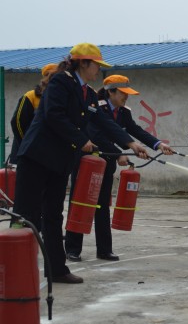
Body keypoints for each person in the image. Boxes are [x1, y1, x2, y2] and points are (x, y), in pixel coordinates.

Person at [11, 43, 148, 284]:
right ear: (83, 63)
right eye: (97, 65)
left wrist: (129, 143)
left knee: (53, 215)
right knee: (25, 215)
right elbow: (54, 114)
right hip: (36, 157)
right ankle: (13, 271)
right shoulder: (60, 81)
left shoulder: (89, 93)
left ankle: (57, 270)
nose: (99, 70)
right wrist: (81, 140)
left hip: (58, 161)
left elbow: (103, 122)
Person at [65, 75, 173, 262]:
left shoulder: (124, 112)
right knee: (80, 202)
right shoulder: (96, 106)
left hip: (106, 163)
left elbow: (135, 130)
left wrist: (158, 144)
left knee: (102, 206)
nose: (126, 97)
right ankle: (72, 249)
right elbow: (95, 133)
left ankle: (104, 249)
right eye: (123, 93)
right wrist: (119, 152)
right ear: (111, 92)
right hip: (86, 161)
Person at [8, 63, 58, 164]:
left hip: (47, 155)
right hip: (26, 153)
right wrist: (28, 142)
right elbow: (17, 123)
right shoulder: (30, 96)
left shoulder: (58, 98)